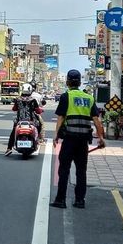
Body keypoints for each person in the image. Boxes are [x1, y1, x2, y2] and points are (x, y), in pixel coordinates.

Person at [50, 69, 105, 209]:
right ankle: (80, 200)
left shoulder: (66, 96)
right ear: (80, 82)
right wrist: (101, 138)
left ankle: (60, 200)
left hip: (69, 139)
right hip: (83, 142)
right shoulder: (89, 98)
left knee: (64, 170)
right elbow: (97, 121)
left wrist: (56, 134)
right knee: (81, 171)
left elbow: (61, 117)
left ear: (67, 82)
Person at [4, 83, 43, 156]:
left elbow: (14, 109)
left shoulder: (18, 99)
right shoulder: (33, 100)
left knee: (13, 133)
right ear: (30, 90)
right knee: (40, 125)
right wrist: (40, 110)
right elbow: (37, 110)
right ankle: (38, 139)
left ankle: (9, 149)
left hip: (19, 120)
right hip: (31, 120)